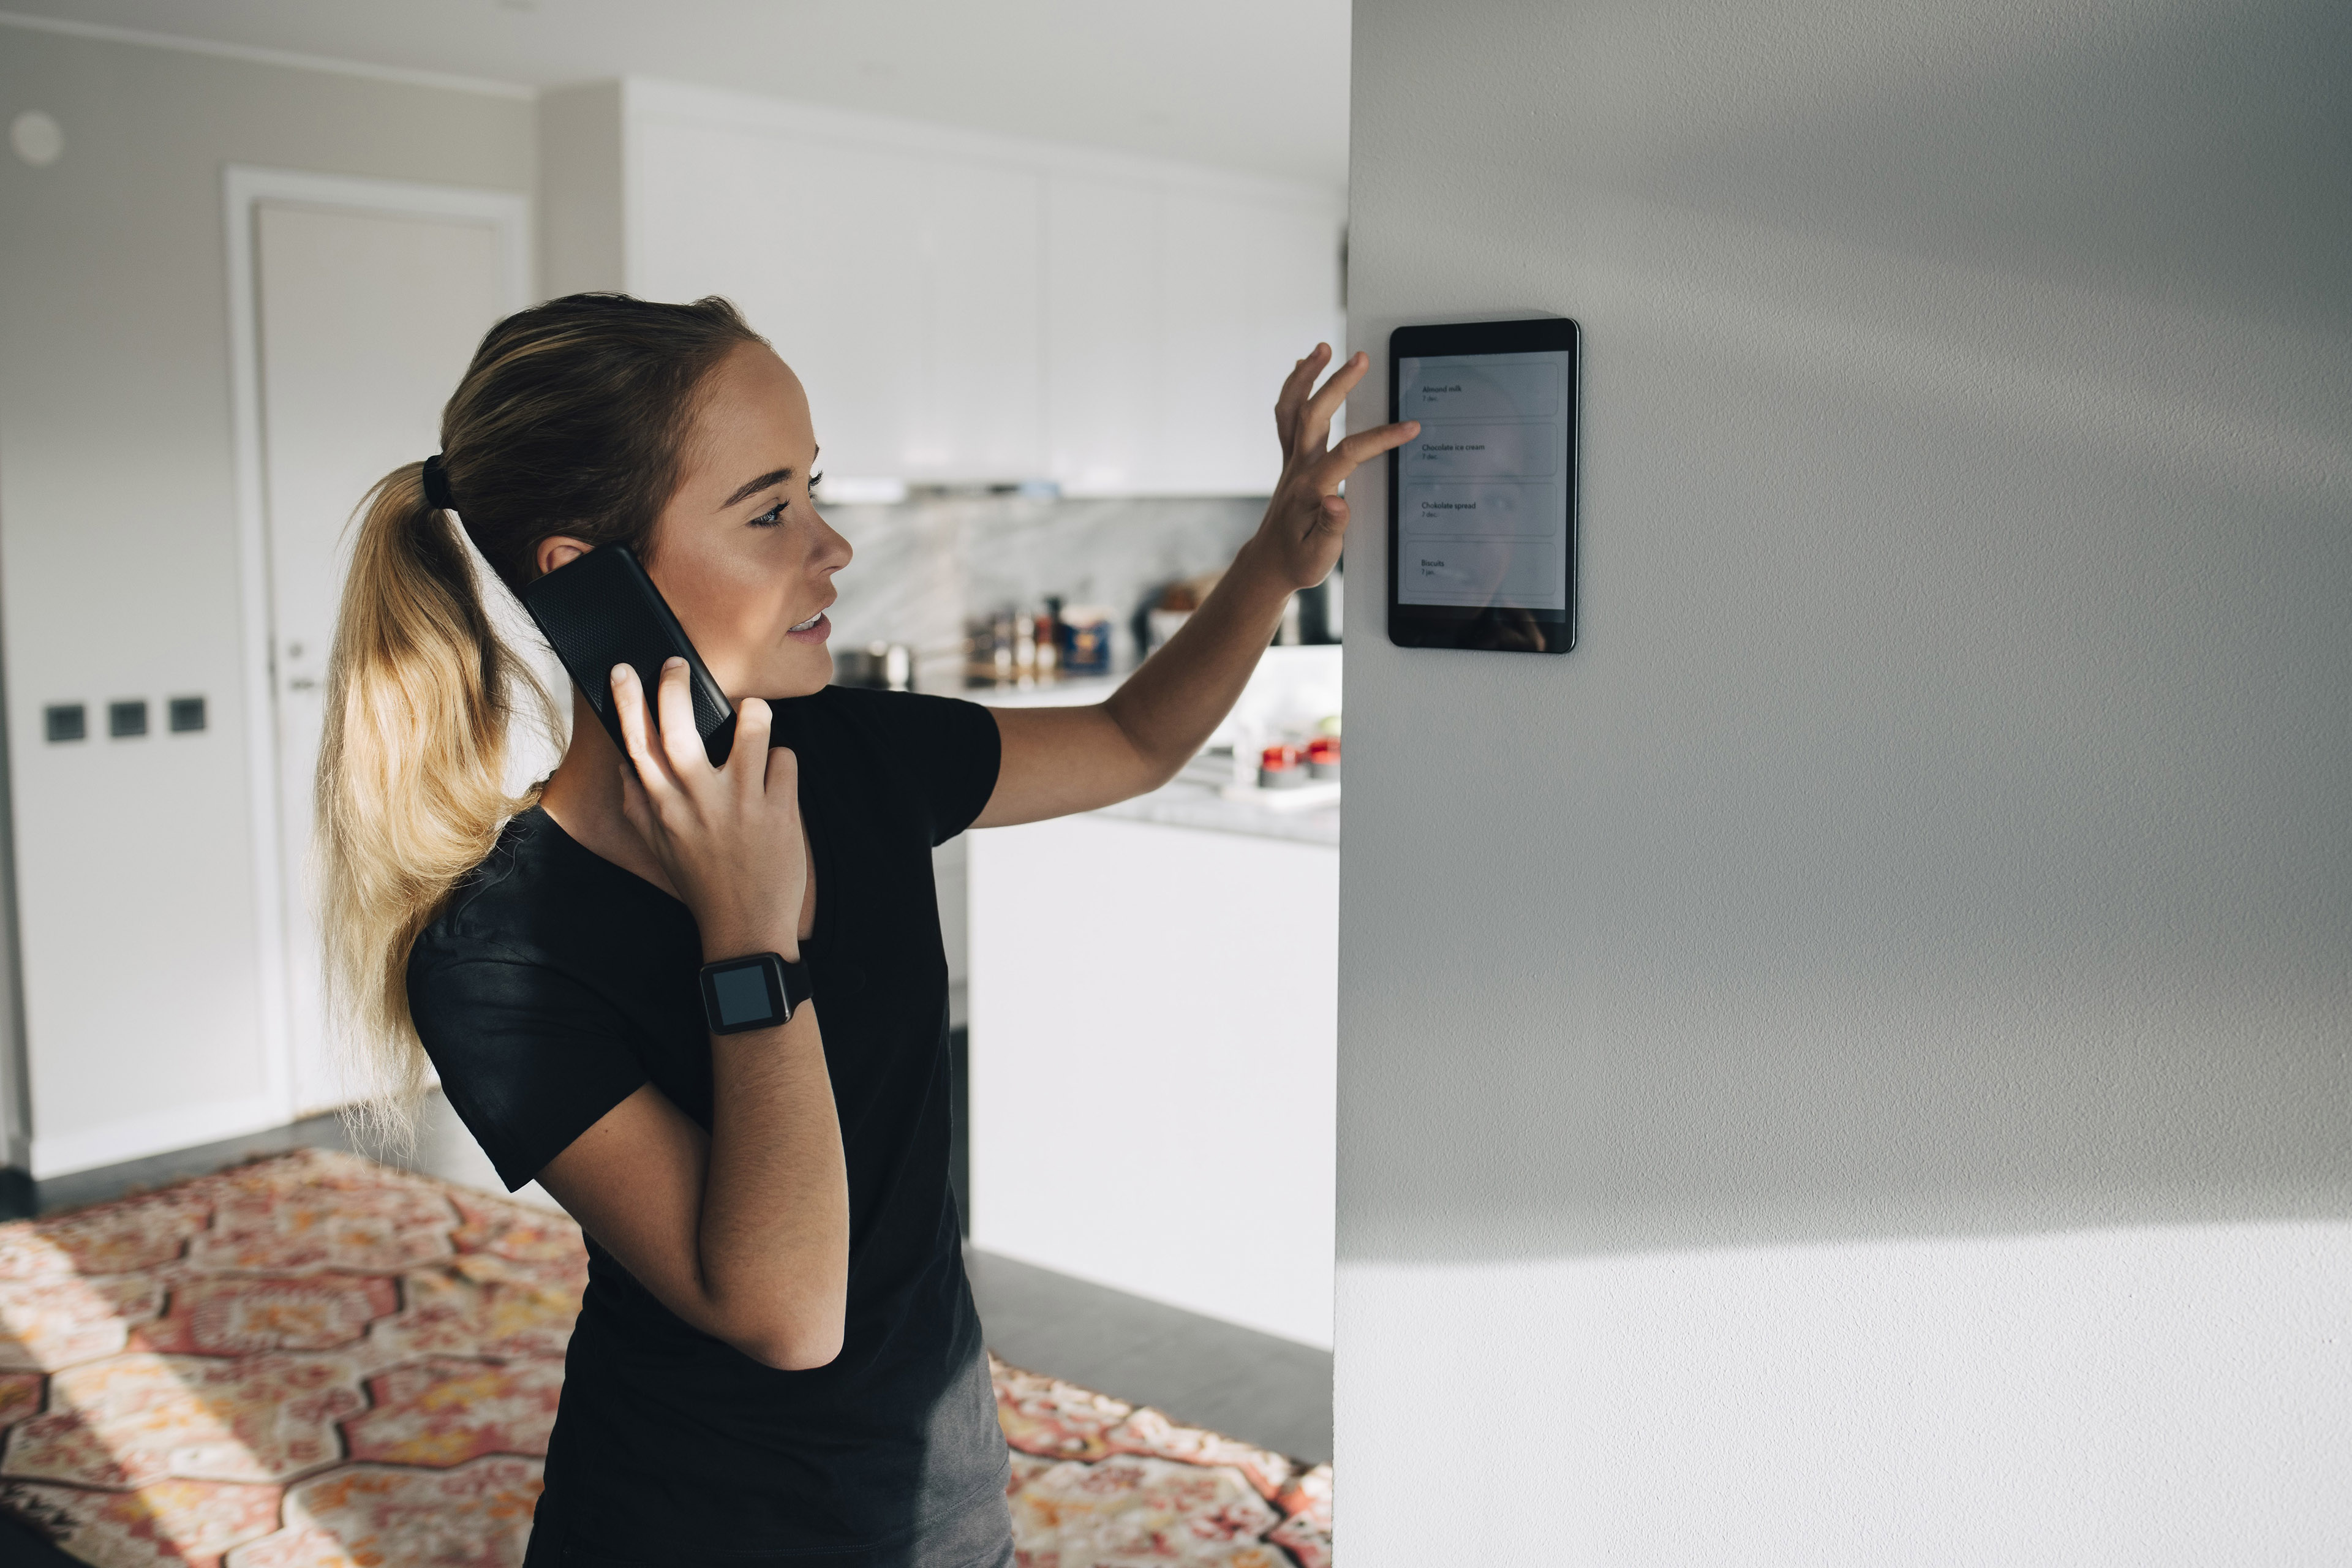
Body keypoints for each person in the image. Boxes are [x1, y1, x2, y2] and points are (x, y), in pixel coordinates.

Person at [315, 292, 1416, 1566]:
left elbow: (1132, 738)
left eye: (814, 490)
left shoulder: (855, 757)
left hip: (941, 1496)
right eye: (770, 508)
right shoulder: (497, 956)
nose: (834, 544)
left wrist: (1274, 562)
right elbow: (785, 1310)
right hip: (689, 1526)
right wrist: (747, 937)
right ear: (587, 581)